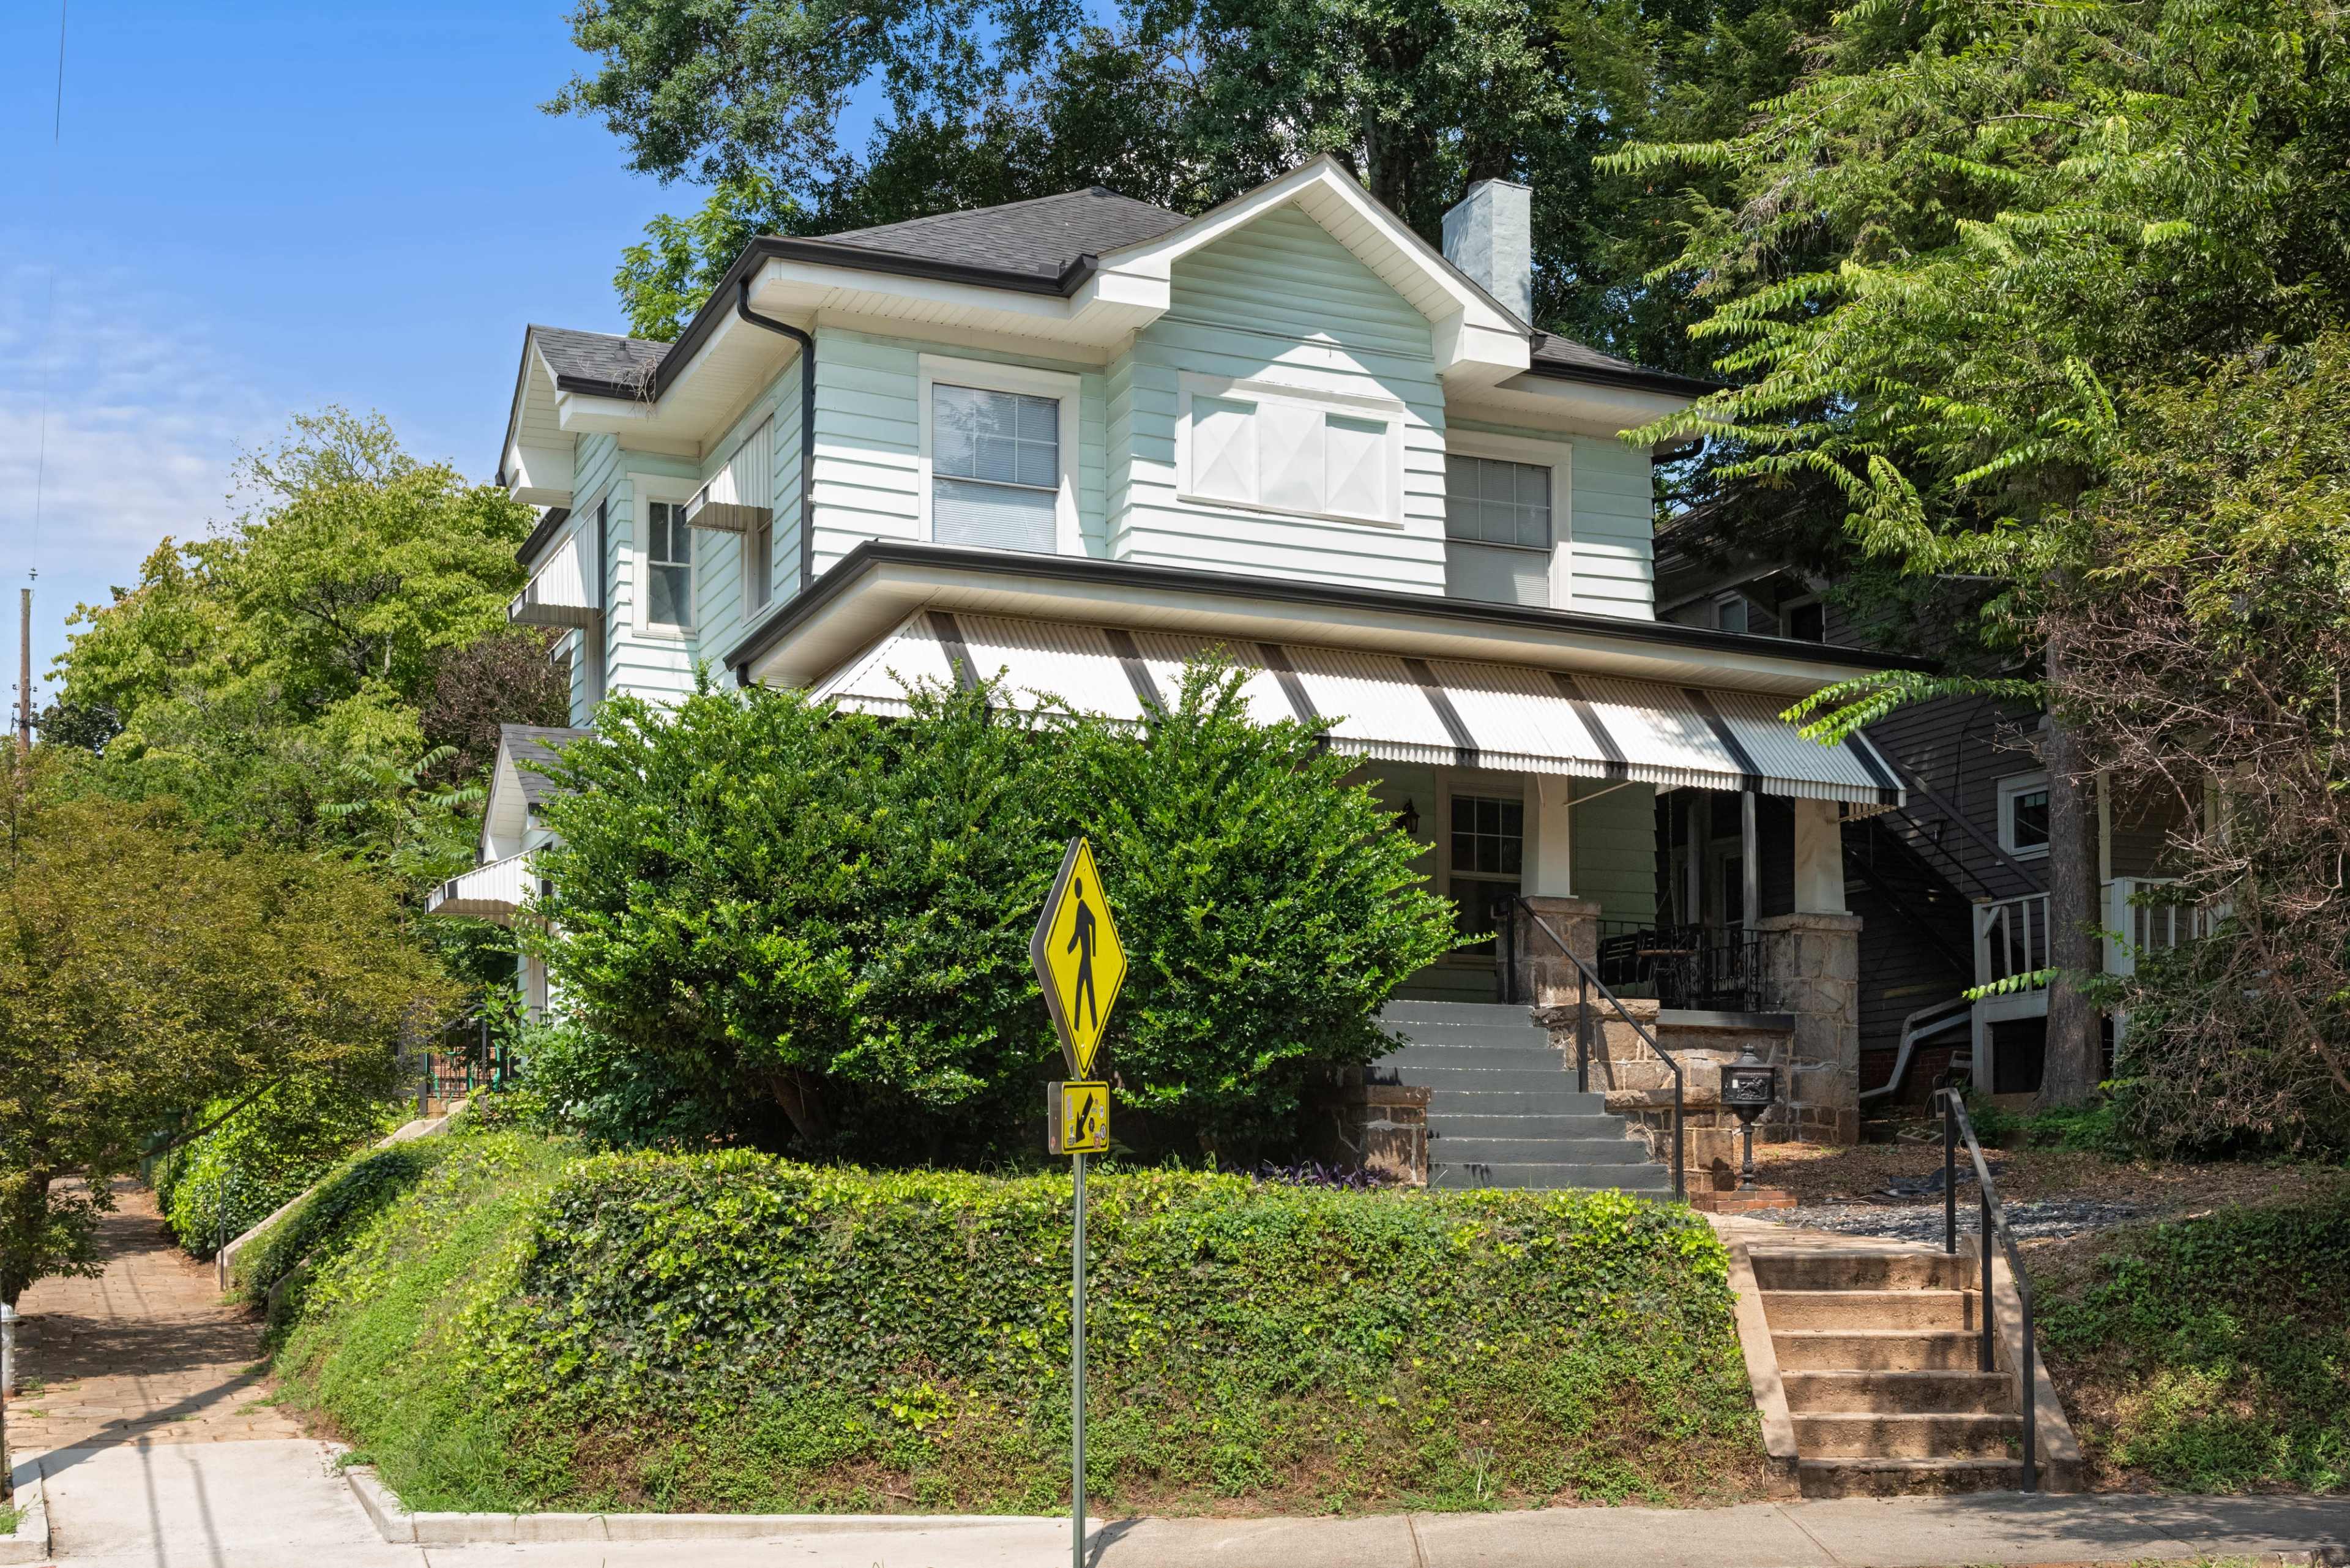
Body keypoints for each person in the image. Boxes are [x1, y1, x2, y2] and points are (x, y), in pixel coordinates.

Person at [1067, 878, 1100, 1032]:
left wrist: (1094, 949)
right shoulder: (1079, 907)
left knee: (1082, 989)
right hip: (1083, 957)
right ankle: (1090, 1023)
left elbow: (1093, 921)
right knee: (1085, 990)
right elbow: (1077, 933)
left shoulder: (1082, 906)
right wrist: (1069, 949)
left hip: (1086, 957)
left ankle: (1080, 1024)